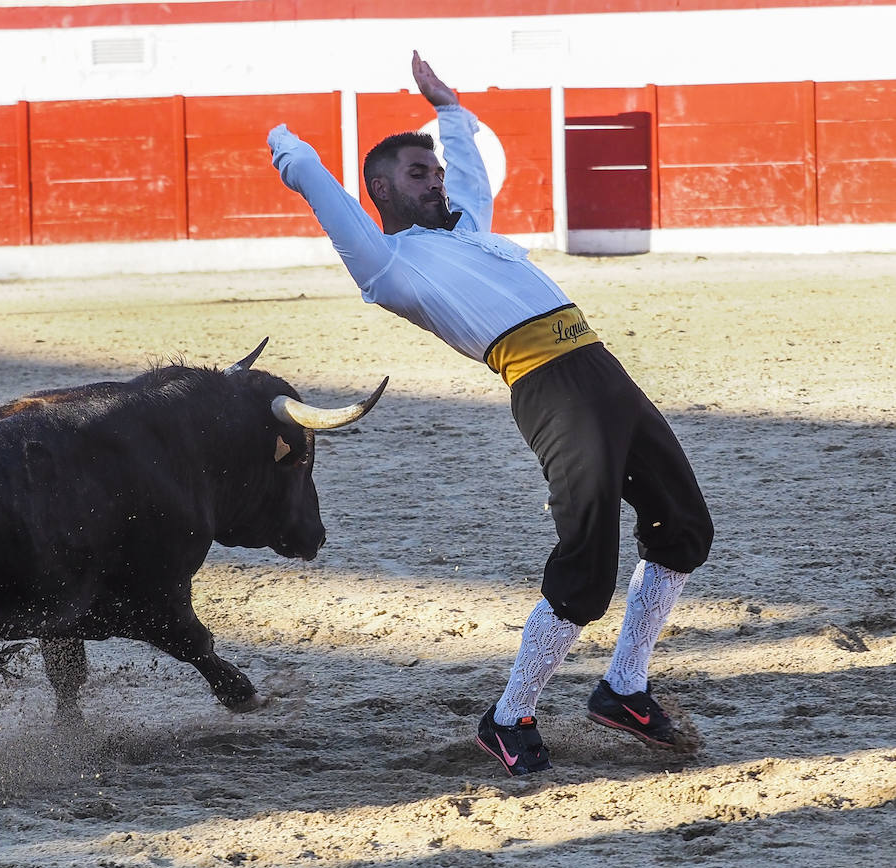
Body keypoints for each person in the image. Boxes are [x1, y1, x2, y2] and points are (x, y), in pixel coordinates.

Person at [267, 51, 713, 776]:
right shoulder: (387, 264)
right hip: (550, 388)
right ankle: (508, 718)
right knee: (586, 563)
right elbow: (321, 190)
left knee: (686, 526)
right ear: (382, 189)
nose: (437, 179)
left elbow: (468, 168)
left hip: (602, 370)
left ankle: (624, 687)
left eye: (435, 170)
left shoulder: (468, 224)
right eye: (420, 173)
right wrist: (286, 138)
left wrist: (446, 109)